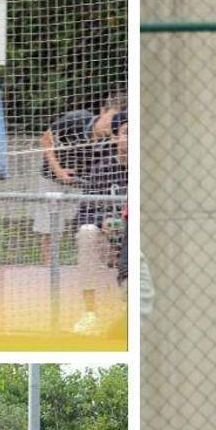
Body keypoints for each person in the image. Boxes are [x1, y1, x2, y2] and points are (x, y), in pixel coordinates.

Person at [35, 92, 126, 266]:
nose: (114, 124)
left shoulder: (110, 141)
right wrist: (59, 170)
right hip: (53, 179)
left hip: (82, 184)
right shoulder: (78, 118)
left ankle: (81, 268)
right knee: (51, 229)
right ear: (102, 111)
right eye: (112, 117)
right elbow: (46, 139)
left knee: (82, 226)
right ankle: (47, 269)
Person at [72, 110, 128, 335]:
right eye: (127, 133)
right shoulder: (102, 168)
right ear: (115, 137)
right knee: (86, 231)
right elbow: (81, 215)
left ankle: (129, 312)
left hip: (137, 247)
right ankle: (90, 313)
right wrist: (101, 221)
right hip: (110, 245)